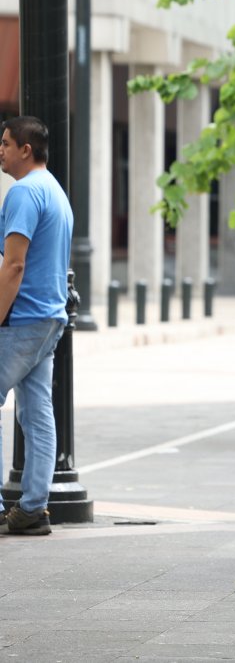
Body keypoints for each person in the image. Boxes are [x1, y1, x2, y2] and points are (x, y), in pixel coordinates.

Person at [0, 116, 73, 535]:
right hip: (49, 318)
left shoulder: (24, 192)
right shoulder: (55, 191)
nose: (2, 150)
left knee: (36, 412)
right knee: (36, 411)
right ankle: (32, 509)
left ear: (26, 149)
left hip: (23, 319)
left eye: (6, 143)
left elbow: (14, 264)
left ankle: (25, 509)